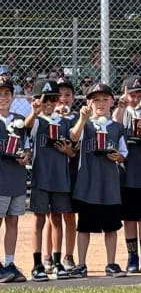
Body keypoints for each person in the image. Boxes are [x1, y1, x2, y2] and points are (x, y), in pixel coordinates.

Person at [69, 83, 128, 278]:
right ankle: (81, 263)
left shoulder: (117, 127)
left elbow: (124, 154)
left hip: (109, 184)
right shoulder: (85, 124)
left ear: (112, 101)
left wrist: (118, 156)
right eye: (96, 100)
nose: (100, 103)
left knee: (111, 227)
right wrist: (82, 118)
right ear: (88, 103)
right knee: (84, 226)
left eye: (105, 99)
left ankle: (111, 263)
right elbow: (73, 138)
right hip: (88, 183)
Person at [25, 80, 72, 281]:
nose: (49, 103)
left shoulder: (63, 121)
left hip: (60, 177)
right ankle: (37, 263)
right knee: (39, 220)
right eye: (44, 99)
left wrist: (68, 150)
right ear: (35, 101)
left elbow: (72, 147)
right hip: (41, 177)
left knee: (57, 219)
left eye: (53, 99)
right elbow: (27, 127)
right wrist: (35, 111)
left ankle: (57, 260)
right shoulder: (35, 120)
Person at [112, 77, 141, 273]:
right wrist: (122, 106)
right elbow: (114, 126)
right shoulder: (122, 112)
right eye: (132, 94)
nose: (136, 98)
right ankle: (132, 257)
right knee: (129, 218)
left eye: (140, 93)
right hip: (125, 173)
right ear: (125, 94)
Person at [43, 78, 79, 272]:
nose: (63, 99)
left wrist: (70, 152)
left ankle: (68, 255)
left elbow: (77, 146)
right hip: (52, 173)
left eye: (68, 95)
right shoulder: (48, 117)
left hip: (70, 172)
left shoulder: (76, 119)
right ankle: (48, 255)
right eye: (60, 96)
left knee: (69, 216)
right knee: (52, 216)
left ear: (74, 98)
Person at [0, 77, 29, 282]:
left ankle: (9, 262)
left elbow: (26, 146)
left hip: (16, 178)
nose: (2, 98)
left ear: (12, 96)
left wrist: (25, 156)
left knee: (13, 221)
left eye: (6, 94)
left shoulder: (19, 119)